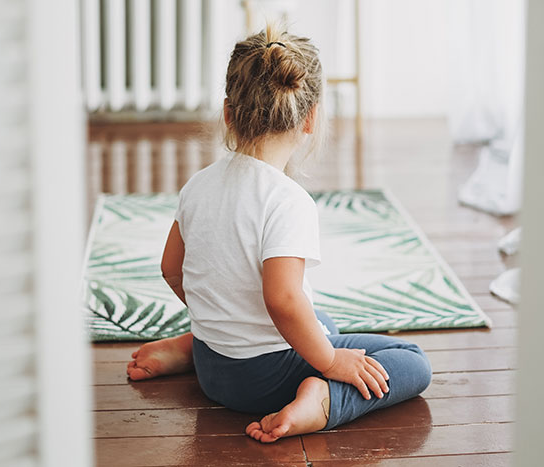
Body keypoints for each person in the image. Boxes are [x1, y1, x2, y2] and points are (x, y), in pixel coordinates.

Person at [127, 24, 432, 443]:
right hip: (263, 381)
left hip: (214, 366)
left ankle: (188, 349)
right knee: (411, 362)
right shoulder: (288, 201)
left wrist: (220, 319)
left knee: (320, 318)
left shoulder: (198, 185)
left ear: (229, 113)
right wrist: (329, 364)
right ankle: (322, 403)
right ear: (310, 118)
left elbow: (172, 270)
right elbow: (282, 300)